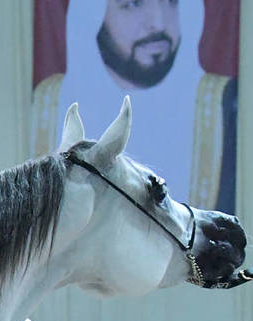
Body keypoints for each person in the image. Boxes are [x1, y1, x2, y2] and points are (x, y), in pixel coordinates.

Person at [54, 0, 210, 205]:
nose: (158, 23)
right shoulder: (49, 104)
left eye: (171, 2)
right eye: (133, 4)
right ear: (93, 16)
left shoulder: (218, 104)